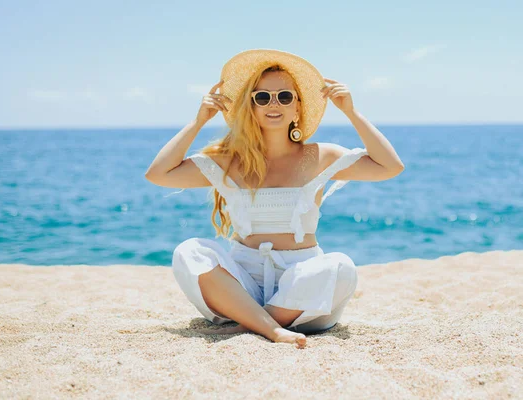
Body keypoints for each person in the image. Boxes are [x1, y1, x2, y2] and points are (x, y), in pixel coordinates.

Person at [145, 49, 405, 349]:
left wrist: (351, 112)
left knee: (339, 266)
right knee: (189, 251)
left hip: (301, 285)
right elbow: (159, 174)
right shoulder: (229, 161)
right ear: (251, 107)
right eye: (262, 97)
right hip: (243, 285)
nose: (274, 103)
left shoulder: (321, 156)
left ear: (298, 108)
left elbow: (390, 167)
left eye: (284, 96)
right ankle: (270, 327)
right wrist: (199, 121)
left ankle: (254, 323)